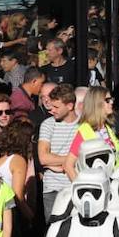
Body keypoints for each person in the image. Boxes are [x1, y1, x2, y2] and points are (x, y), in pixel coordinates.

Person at [38, 84, 81, 219]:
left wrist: (58, 162)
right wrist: (72, 159)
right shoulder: (48, 124)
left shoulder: (84, 125)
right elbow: (43, 158)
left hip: (76, 186)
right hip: (53, 189)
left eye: (56, 107)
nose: (52, 110)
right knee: (54, 230)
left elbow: (86, 156)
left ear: (69, 106)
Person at [65, 85, 119, 179]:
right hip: (98, 188)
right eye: (107, 100)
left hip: (114, 183)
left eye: (111, 99)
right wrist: (83, 189)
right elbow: (68, 165)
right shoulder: (84, 130)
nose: (111, 102)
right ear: (97, 104)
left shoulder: (108, 127)